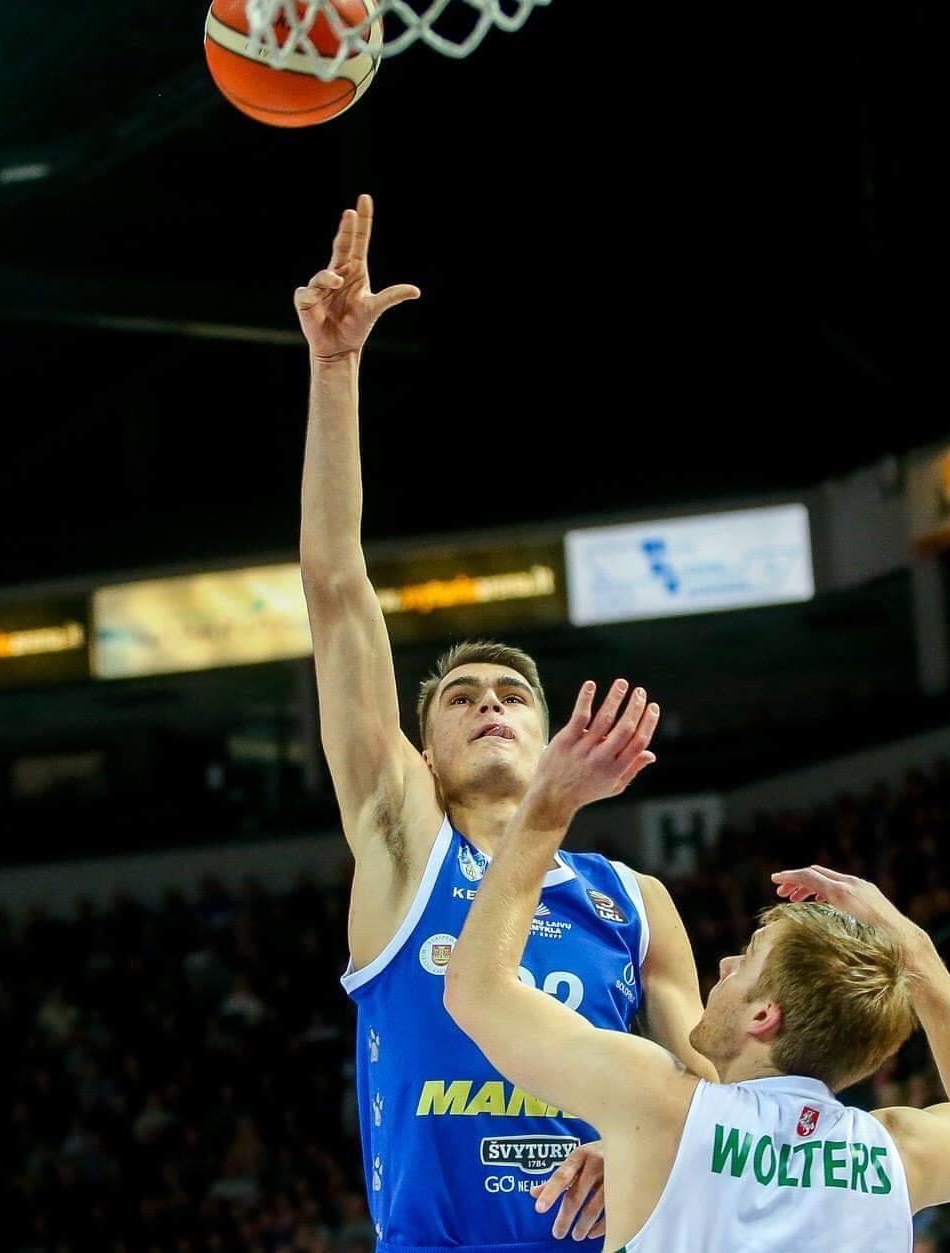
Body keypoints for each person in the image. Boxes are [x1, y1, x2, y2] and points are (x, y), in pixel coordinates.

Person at [294, 198, 710, 1249]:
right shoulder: (401, 842)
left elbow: (713, 1097)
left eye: (513, 696)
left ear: (546, 739)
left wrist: (644, 1144)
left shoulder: (635, 900)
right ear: (420, 751)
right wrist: (335, 374)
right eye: (460, 698)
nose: (489, 703)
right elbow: (337, 590)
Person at [443, 680, 950, 1251]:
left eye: (746, 962)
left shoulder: (660, 1105)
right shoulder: (894, 1153)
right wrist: (915, 950)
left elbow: (476, 992)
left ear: (764, 1016)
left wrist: (548, 805)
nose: (724, 963)